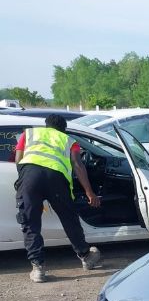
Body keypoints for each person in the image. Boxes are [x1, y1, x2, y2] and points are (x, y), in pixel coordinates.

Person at [14, 114, 102, 282]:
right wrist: (90, 192)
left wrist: (25, 180)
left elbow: (18, 158)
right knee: (69, 218)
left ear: (46, 125)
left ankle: (38, 268)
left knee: (30, 222)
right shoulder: (69, 141)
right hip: (56, 180)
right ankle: (86, 256)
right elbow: (78, 165)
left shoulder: (29, 134)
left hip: (30, 177)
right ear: (64, 128)